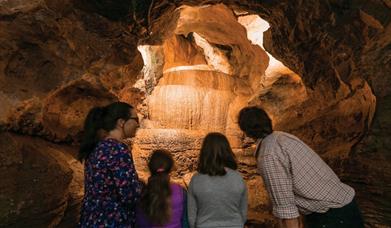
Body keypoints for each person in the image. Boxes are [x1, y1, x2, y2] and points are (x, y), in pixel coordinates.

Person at [238, 106, 364, 228]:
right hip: (343, 207)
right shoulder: (281, 137)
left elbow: (287, 211)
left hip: (331, 216)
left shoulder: (268, 154)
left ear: (245, 130)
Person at [78, 102, 142, 228]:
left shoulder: (97, 147)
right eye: (135, 119)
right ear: (121, 122)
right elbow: (129, 194)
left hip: (91, 217)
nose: (138, 124)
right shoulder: (117, 149)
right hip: (112, 219)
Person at [187, 132, 248, 228]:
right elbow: (243, 214)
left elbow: (191, 217)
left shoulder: (196, 180)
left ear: (204, 152)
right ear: (227, 151)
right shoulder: (238, 178)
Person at [135, 149, 189, 228]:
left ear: (150, 167)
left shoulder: (143, 193)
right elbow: (185, 222)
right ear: (171, 168)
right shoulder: (181, 192)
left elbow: (140, 223)